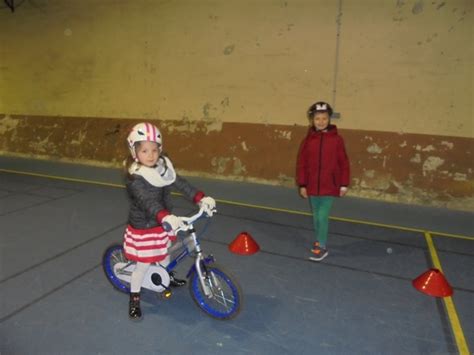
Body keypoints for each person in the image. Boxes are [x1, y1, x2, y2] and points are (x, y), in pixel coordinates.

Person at [123, 122, 216, 320]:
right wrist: (164, 216)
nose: (151, 155)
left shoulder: (163, 168)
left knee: (164, 253)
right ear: (135, 152)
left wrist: (200, 197)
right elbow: (147, 202)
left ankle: (166, 277)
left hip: (161, 223)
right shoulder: (136, 178)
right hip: (145, 226)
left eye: (155, 150)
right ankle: (134, 298)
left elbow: (181, 183)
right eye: (145, 150)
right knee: (143, 265)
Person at [296, 102, 350, 261]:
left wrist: (344, 183)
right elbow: (302, 164)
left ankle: (322, 245)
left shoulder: (337, 140)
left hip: (330, 185)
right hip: (312, 185)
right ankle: (319, 240)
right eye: (317, 118)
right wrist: (303, 184)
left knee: (322, 216)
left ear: (329, 119)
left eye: (324, 118)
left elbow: (344, 162)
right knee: (316, 215)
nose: (321, 121)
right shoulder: (308, 141)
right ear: (312, 121)